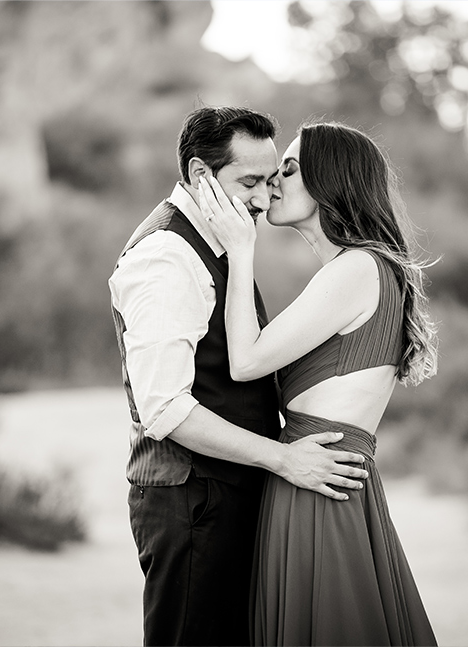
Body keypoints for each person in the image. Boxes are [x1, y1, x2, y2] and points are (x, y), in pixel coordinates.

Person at [108, 107, 370, 647]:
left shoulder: (220, 241)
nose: (261, 198)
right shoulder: (166, 256)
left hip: (225, 492)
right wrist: (284, 458)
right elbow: (165, 409)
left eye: (269, 181)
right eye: (248, 182)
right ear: (202, 175)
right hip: (190, 502)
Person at [198, 121, 440, 646]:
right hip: (318, 475)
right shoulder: (357, 268)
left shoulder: (357, 268)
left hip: (319, 483)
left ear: (329, 180)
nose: (273, 183)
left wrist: (240, 252)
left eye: (289, 168)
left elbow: (245, 361)